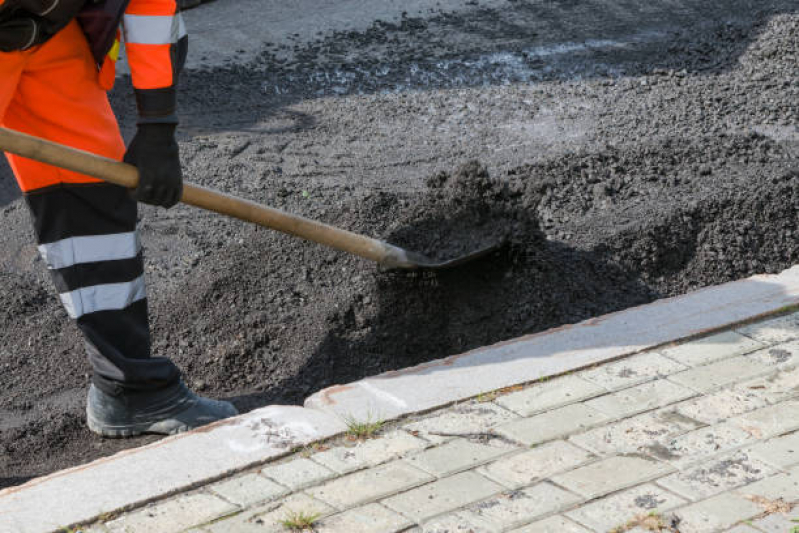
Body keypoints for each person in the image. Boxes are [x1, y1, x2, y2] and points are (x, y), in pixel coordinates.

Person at [0, 0, 237, 437]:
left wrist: (158, 127)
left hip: (45, 31)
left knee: (90, 190)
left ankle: (128, 389)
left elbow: (151, 9)